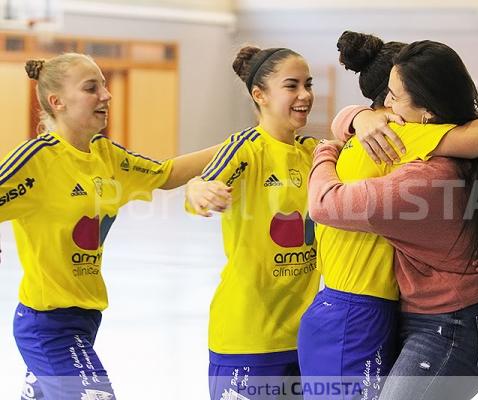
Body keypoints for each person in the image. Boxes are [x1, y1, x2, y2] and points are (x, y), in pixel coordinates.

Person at [0, 53, 220, 399]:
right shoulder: (37, 159)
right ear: (57, 102)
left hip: (86, 318)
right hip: (47, 323)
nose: (106, 95)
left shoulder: (106, 155)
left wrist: (239, 144)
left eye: (104, 85)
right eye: (92, 88)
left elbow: (166, 174)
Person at [297, 31, 478, 400]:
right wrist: (356, 117)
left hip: (450, 327)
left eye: (394, 97)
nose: (385, 108)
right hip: (446, 317)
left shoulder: (420, 176)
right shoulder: (456, 150)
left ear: (427, 112)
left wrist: (326, 152)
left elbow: (325, 204)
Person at [185, 46, 321, 400]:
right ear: (259, 95)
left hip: (302, 340)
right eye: (292, 86)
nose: (305, 95)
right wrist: (197, 189)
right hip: (248, 335)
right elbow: (205, 181)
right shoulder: (246, 148)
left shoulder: (315, 153)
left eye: (308, 84)